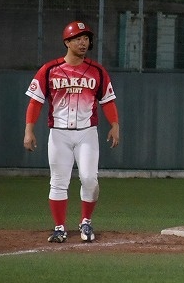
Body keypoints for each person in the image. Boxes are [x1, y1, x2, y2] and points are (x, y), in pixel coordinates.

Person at [23, 20, 120, 244]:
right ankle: (59, 227)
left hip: (87, 133)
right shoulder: (49, 70)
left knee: (89, 179)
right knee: (58, 181)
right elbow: (35, 102)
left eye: (86, 38)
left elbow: (108, 101)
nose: (83, 42)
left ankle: (86, 221)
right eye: (77, 38)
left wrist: (115, 125)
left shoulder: (97, 71)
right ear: (67, 42)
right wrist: (29, 130)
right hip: (59, 133)